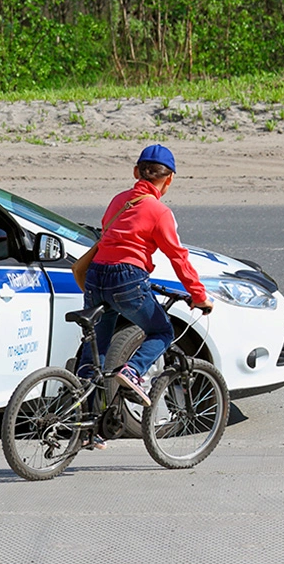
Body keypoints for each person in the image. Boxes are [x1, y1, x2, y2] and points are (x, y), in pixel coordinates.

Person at [82, 144, 212, 407]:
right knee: (161, 331)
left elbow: (108, 233)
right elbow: (178, 257)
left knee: (97, 351)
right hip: (127, 278)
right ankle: (132, 372)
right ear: (170, 179)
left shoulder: (119, 200)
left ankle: (83, 418)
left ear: (136, 172)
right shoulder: (160, 212)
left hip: (95, 276)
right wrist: (199, 296)